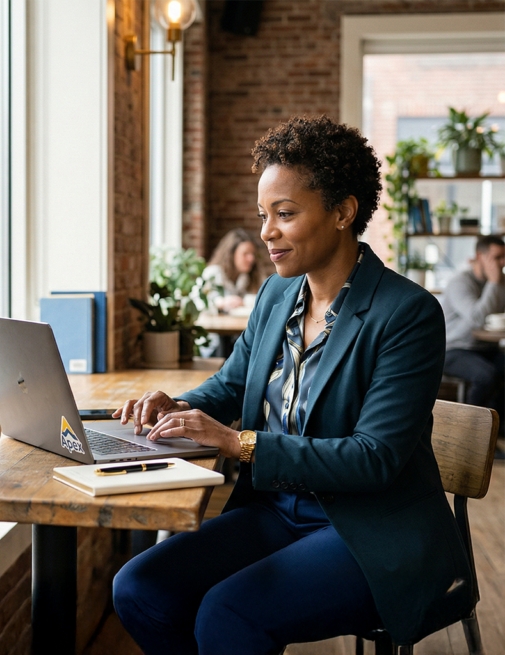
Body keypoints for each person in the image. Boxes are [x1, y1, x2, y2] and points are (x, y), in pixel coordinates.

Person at [110, 115, 473, 655]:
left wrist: (240, 443)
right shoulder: (277, 297)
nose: (266, 233)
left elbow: (373, 458)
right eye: (263, 216)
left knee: (227, 614)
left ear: (343, 212)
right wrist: (178, 406)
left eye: (285, 214)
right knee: (139, 589)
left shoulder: (408, 314)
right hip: (277, 510)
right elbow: (232, 385)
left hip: (370, 531)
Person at [441, 235, 505, 414]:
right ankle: (471, 431)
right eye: (497, 258)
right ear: (479, 257)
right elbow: (477, 318)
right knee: (487, 376)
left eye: (504, 257)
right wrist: (493, 282)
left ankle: (497, 428)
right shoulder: (460, 283)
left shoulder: (502, 281)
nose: (502, 263)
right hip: (454, 349)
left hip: (486, 348)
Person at [202, 228, 263, 312]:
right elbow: (199, 301)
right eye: (245, 254)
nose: (251, 258)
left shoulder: (247, 276)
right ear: (231, 254)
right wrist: (221, 303)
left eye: (253, 254)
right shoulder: (213, 273)